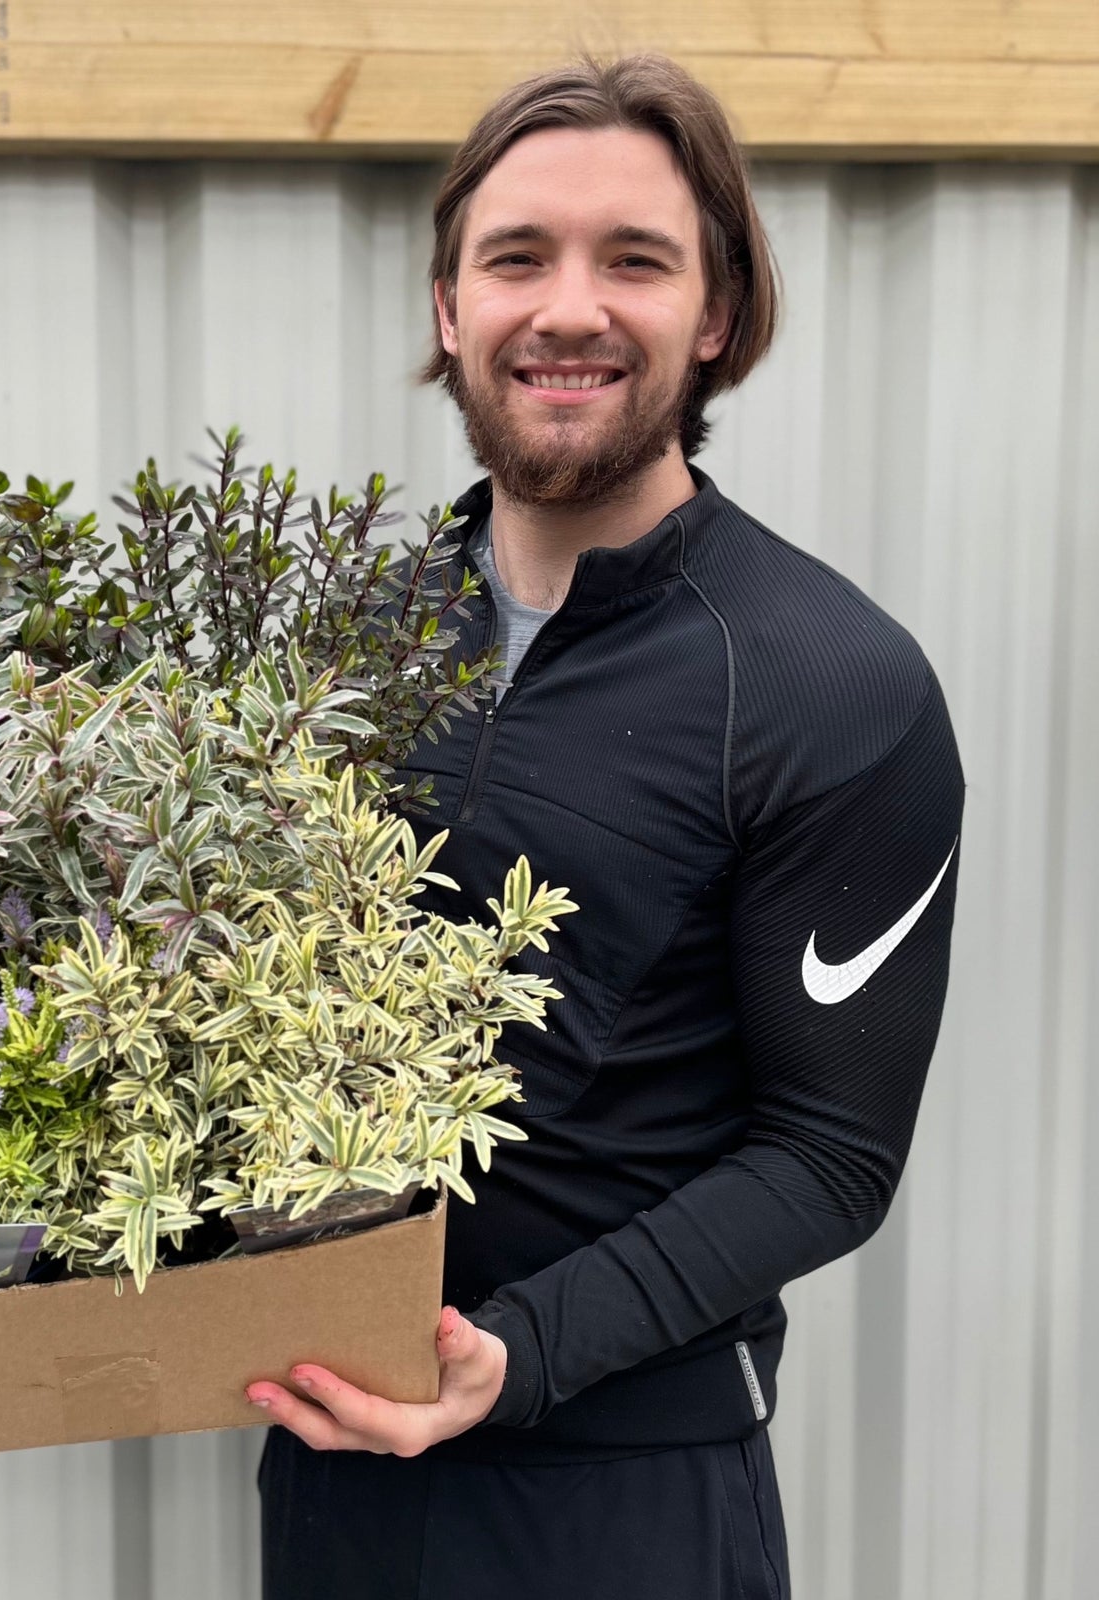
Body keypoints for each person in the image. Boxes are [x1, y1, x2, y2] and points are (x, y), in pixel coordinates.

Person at [246, 54, 964, 1600]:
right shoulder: (342, 642)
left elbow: (831, 1154)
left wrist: (516, 1357)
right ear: (451, 310)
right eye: (517, 258)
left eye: (634, 259)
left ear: (714, 316)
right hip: (327, 1465)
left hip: (627, 1499)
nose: (568, 307)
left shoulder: (832, 687)